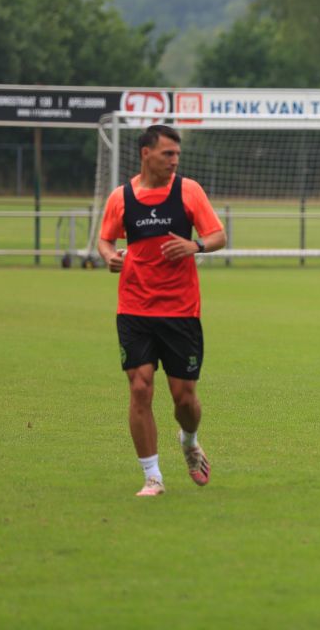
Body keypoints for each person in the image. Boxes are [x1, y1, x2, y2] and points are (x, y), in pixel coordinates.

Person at [97, 125, 227, 495]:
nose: (174, 160)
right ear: (146, 154)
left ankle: (189, 440)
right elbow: (106, 239)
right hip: (134, 307)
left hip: (180, 310)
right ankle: (152, 476)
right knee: (140, 387)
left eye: (177, 155)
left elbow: (219, 235)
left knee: (184, 397)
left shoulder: (189, 191)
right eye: (167, 154)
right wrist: (109, 257)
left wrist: (196, 247)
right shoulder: (121, 197)